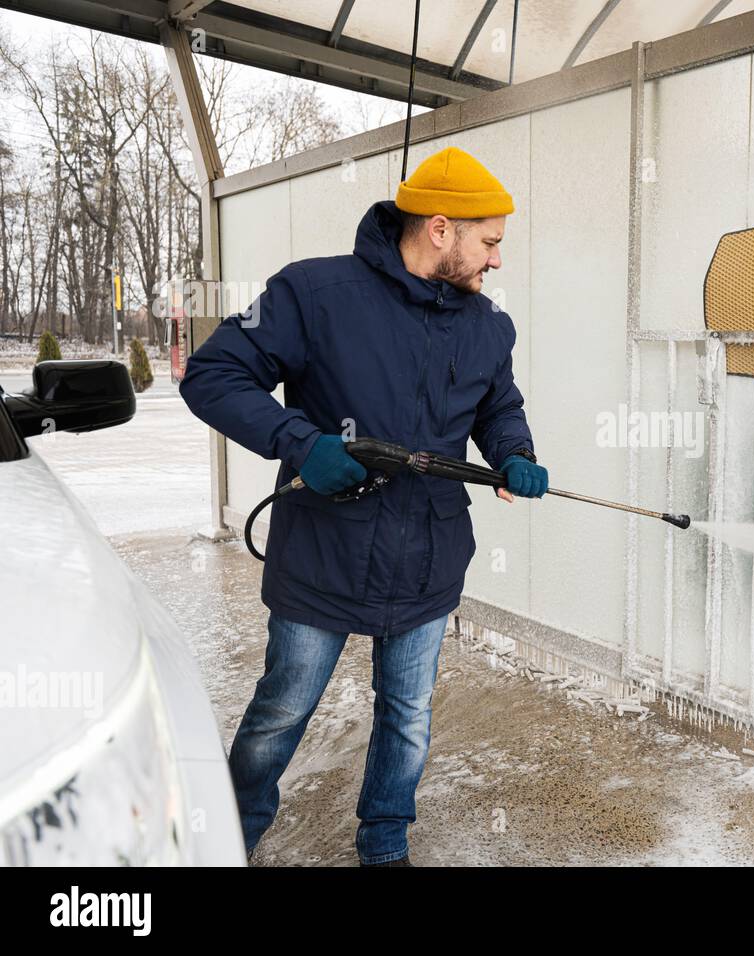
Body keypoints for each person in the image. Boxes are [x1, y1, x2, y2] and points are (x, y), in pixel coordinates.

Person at [179, 146, 548, 866]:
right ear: (441, 229)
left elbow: (498, 405)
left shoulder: (486, 326)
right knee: (280, 713)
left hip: (428, 561)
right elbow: (213, 375)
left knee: (407, 717)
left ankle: (384, 843)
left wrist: (516, 452)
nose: (497, 260)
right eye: (491, 241)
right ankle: (229, 836)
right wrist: (300, 442)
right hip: (325, 555)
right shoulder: (313, 295)